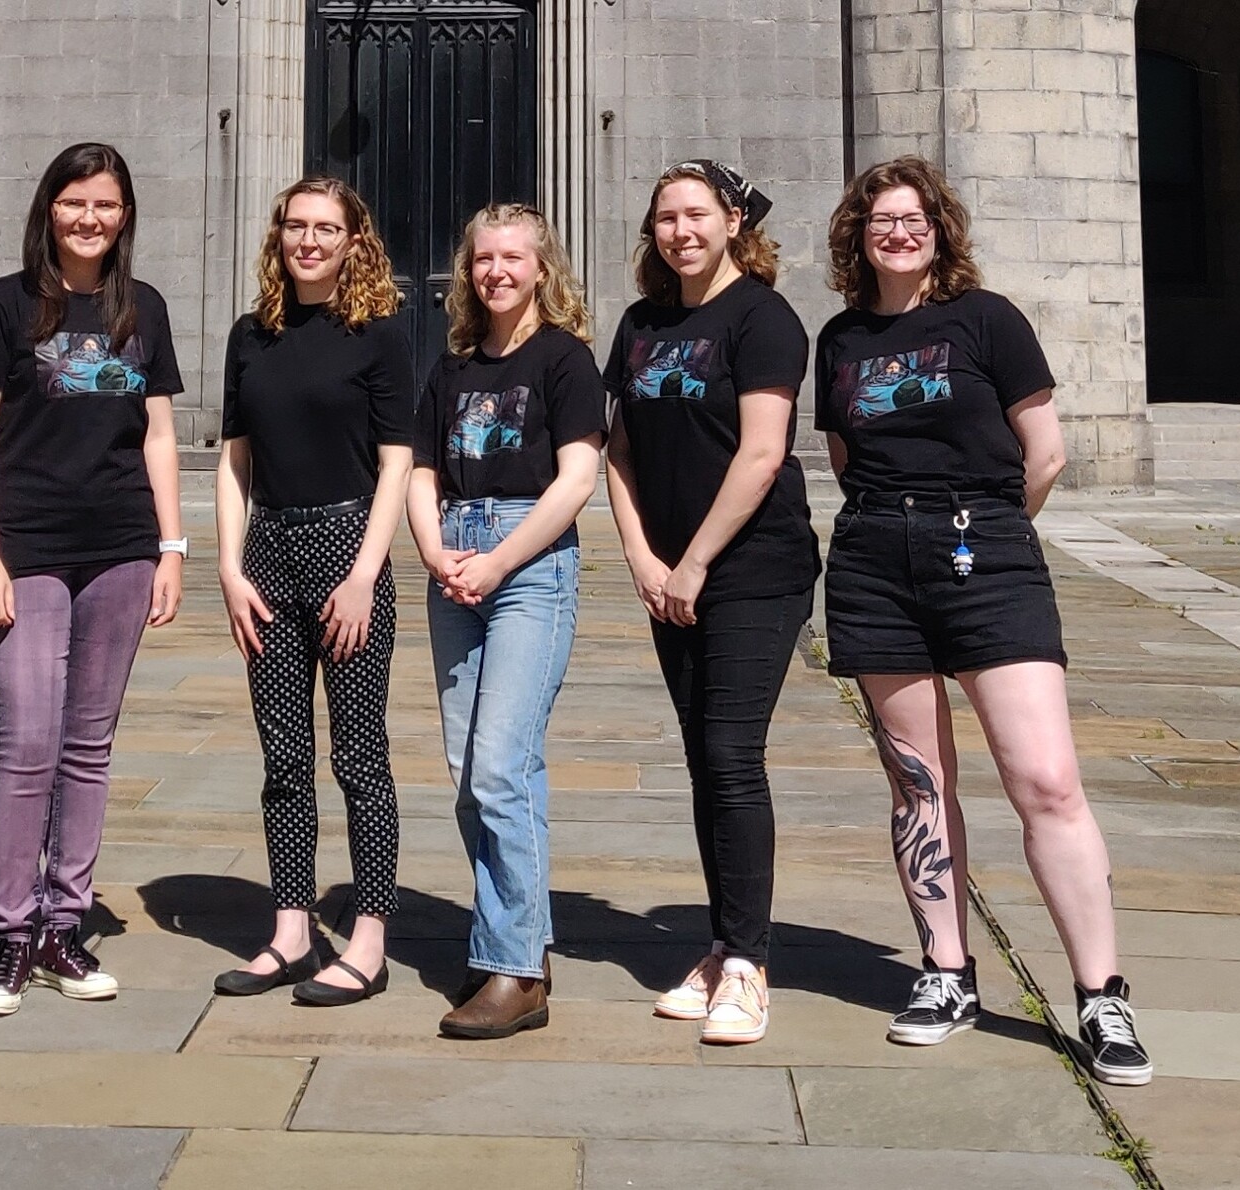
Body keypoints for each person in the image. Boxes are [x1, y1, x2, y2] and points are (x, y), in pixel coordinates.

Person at [816, 155, 1152, 1084]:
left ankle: (1101, 996)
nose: (899, 231)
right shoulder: (840, 338)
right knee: (919, 783)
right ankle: (947, 973)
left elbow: (1041, 454)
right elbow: (847, 455)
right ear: (858, 235)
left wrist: (984, 534)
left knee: (1045, 779)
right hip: (876, 561)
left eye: (914, 217)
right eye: (881, 219)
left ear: (941, 229)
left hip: (987, 552)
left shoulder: (987, 319)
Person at [0, 142, 185, 1017]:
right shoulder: (3, 306)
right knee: (27, 742)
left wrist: (171, 547)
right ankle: (9, 934)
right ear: (49, 207)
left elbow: (158, 434)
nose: (91, 218)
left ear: (126, 216)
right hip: (27, 548)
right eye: (75, 202)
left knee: (88, 744)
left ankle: (63, 924)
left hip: (121, 546)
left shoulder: (143, 309)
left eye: (108, 205)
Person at [602, 161, 818, 1045]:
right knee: (703, 760)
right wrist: (644, 560)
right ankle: (723, 945)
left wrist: (691, 564)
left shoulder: (764, 319)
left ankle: (747, 965)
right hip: (669, 574)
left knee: (732, 754)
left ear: (734, 220)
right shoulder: (642, 324)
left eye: (697, 215)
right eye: (666, 218)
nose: (681, 231)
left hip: (753, 569)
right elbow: (617, 450)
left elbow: (762, 453)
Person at [212, 177, 414, 1006]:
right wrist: (228, 566)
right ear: (279, 236)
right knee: (283, 759)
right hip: (268, 551)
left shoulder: (381, 335)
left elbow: (399, 460)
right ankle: (291, 930)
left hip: (347, 544)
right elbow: (234, 458)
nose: (309, 240)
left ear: (353, 240)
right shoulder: (249, 335)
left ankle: (369, 938)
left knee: (359, 757)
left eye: (326, 228)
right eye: (296, 225)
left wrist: (365, 573)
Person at [406, 203, 607, 1039]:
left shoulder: (565, 361)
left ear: (540, 269)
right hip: (456, 559)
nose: (495, 272)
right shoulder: (452, 369)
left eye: (512, 258)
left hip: (529, 565)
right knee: (469, 774)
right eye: (483, 258)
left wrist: (496, 560)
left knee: (501, 767)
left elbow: (576, 481)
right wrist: (435, 551)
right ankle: (515, 939)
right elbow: (421, 469)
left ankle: (516, 971)